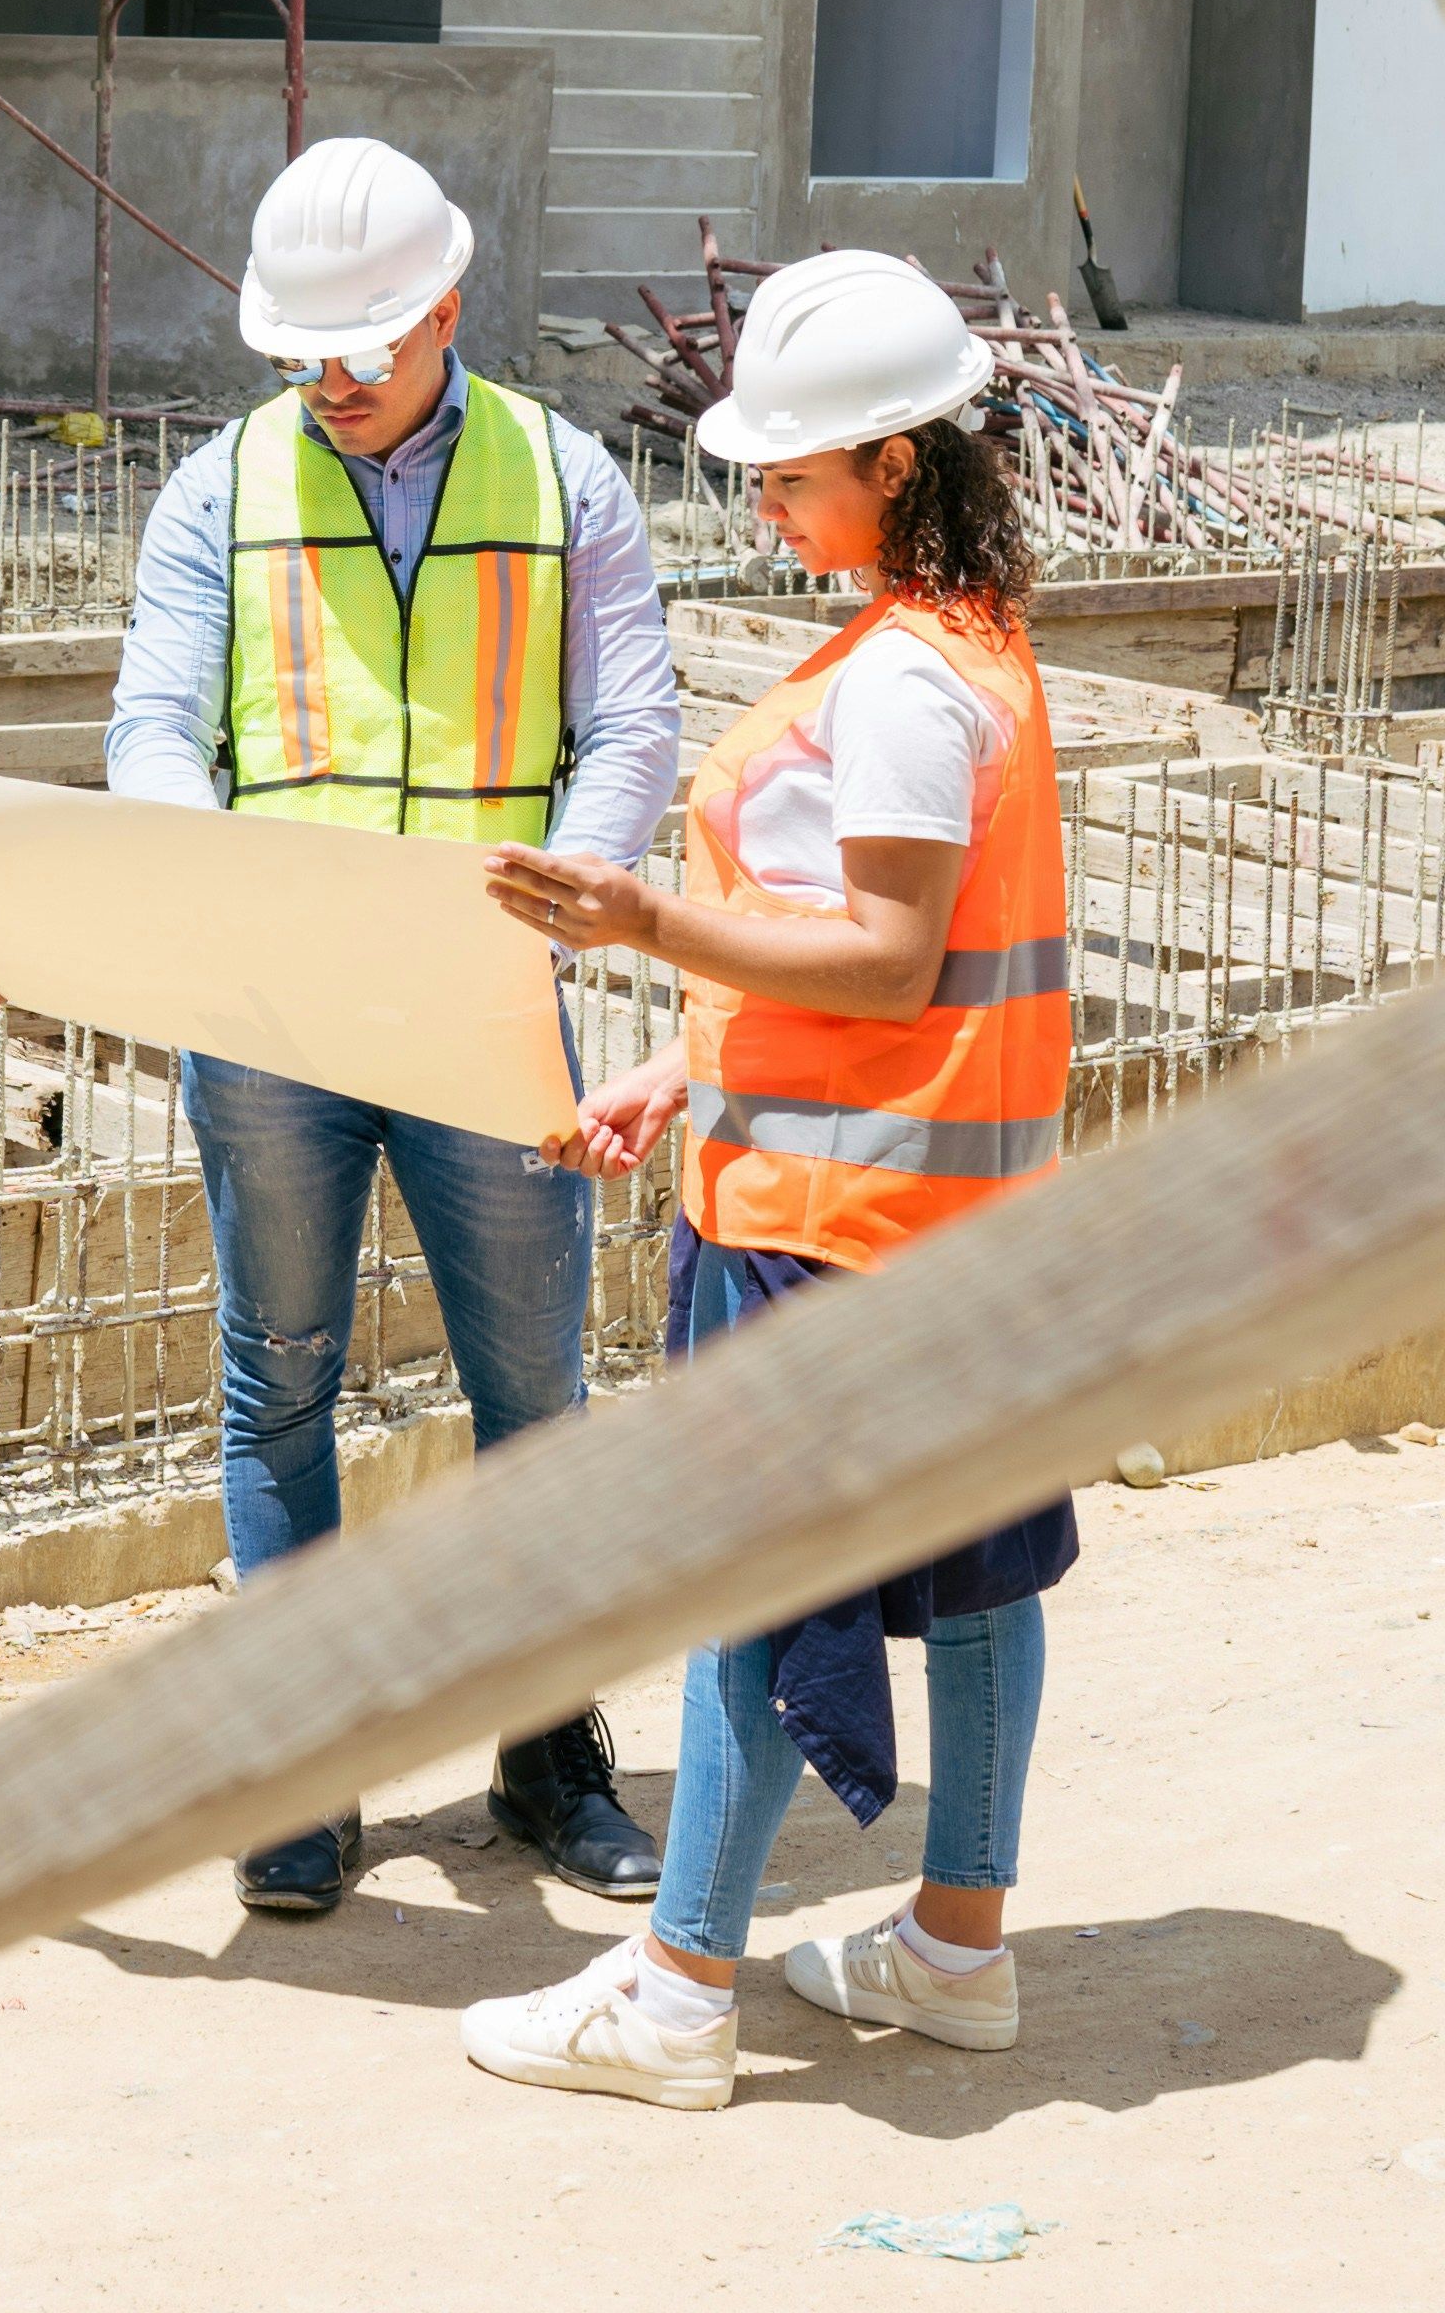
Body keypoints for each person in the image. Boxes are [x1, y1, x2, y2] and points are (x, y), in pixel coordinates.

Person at [450, 247, 1072, 2108]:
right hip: (963, 1222)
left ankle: (675, 1994)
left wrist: (649, 915)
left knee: (751, 1593)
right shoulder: (973, 641)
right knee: (975, 1585)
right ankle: (956, 1952)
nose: (765, 501)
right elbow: (890, 956)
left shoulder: (893, 686)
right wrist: (679, 1056)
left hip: (830, 1228)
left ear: (893, 461)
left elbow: (884, 952)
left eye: (792, 473)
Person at [100, 133, 687, 1915]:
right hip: (275, 1008)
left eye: (357, 348)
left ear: (444, 307)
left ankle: (543, 1749)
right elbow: (153, 724)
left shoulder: (564, 477)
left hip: (481, 997)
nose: (327, 383)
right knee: (276, 1383)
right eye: (300, 351)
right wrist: (198, 868)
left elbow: (634, 722)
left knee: (535, 1394)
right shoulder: (220, 488)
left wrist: (568, 899)